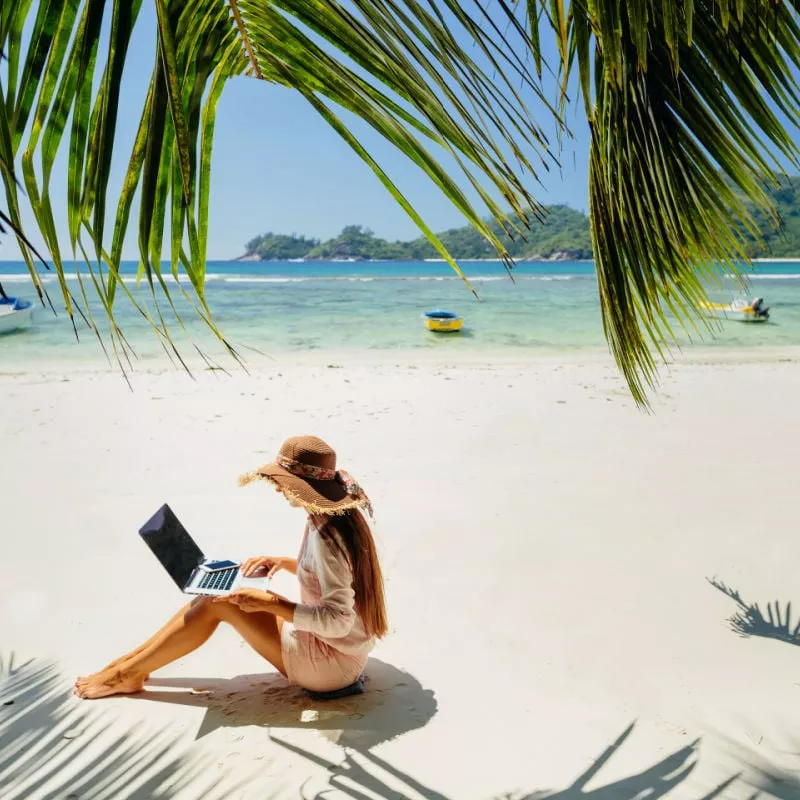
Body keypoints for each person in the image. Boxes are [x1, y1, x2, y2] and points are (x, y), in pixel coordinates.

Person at [74, 435, 388, 699]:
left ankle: (125, 674)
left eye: (283, 482)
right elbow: (337, 578)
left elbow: (338, 621)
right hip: (341, 651)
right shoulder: (334, 520)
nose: (279, 488)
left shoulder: (327, 536)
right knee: (209, 595)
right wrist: (283, 563)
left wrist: (273, 604)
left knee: (217, 602)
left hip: (330, 666)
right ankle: (126, 665)